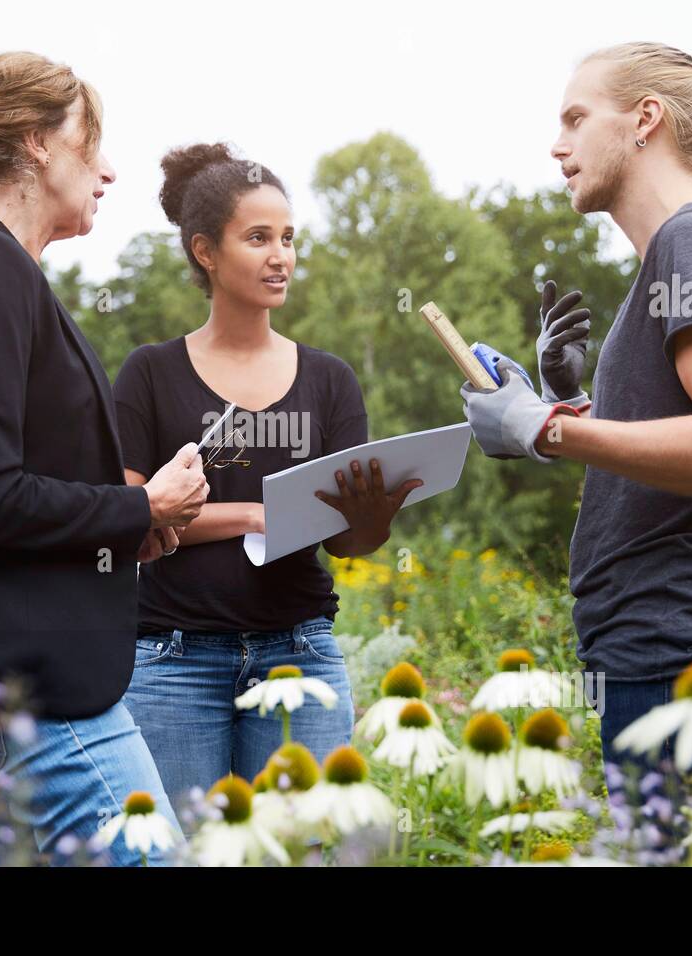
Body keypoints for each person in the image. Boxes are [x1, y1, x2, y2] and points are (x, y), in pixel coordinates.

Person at [457, 43, 692, 863]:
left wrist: (545, 430)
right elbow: (683, 442)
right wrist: (563, 404)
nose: (557, 145)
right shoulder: (673, 259)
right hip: (666, 644)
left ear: (644, 120)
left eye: (575, 118)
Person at [0, 52, 209, 866]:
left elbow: (1, 486)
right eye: (91, 145)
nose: (110, 171)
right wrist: (142, 508)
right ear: (34, 145)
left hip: (22, 670)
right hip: (33, 680)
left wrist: (125, 532)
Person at [112, 143, 423, 808]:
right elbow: (126, 518)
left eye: (288, 238)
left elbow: (344, 544)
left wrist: (372, 520)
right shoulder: (149, 373)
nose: (281, 256)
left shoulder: (331, 379)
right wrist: (256, 514)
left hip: (299, 652)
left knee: (299, 848)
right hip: (171, 663)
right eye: (258, 238)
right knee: (177, 855)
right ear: (205, 251)